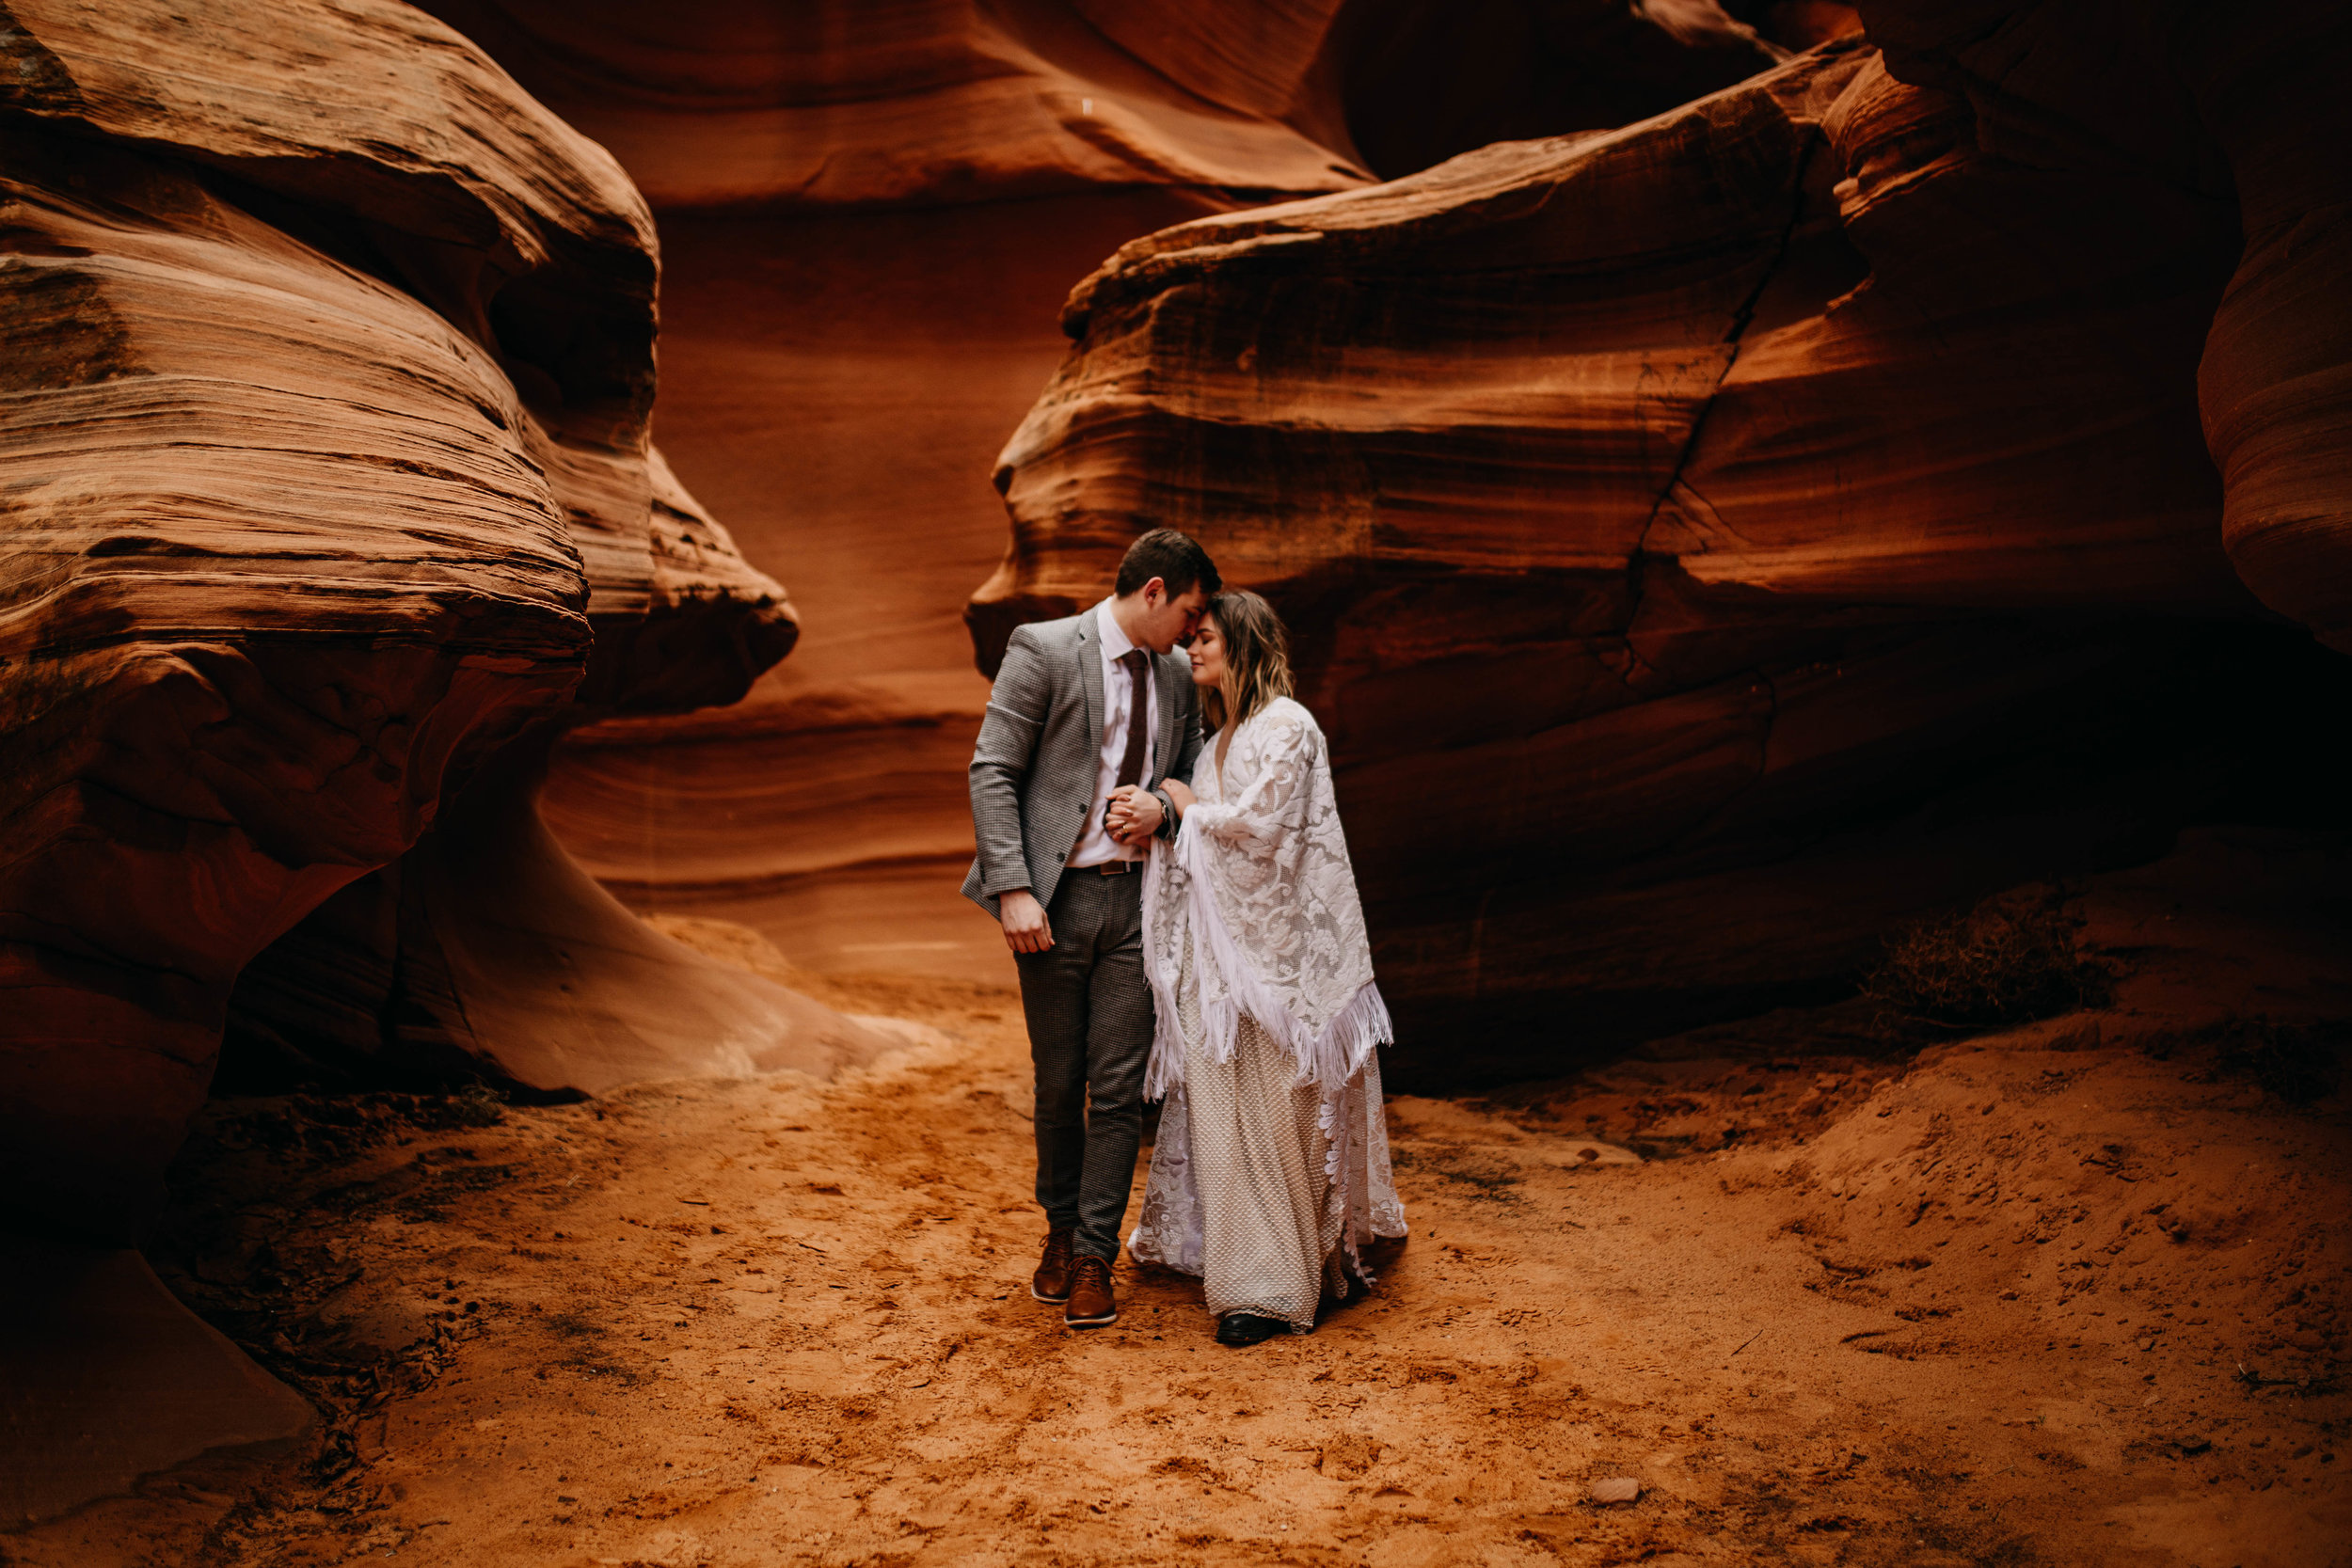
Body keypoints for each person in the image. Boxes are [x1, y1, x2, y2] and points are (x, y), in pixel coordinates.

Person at [1115, 589, 1406, 1346]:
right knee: (1222, 1122)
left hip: (1284, 971)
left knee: (1284, 1120)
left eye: (1206, 637)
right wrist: (1170, 810)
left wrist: (1176, 815)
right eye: (1191, 638)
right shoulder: (1214, 745)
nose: (1193, 649)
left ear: (1243, 643)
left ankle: (1299, 1269)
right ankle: (1254, 1287)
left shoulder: (1289, 726)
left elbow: (1265, 830)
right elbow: (1208, 838)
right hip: (1215, 974)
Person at [963, 528, 1220, 1329]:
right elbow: (993, 767)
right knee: (1056, 1083)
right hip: (1052, 904)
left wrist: (1166, 805)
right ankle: (1057, 1230)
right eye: (1188, 609)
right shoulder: (1043, 648)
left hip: (1139, 904)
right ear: (1153, 593)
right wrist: (1012, 886)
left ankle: (1092, 1257)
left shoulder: (1176, 675)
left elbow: (1197, 759)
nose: (1191, 628)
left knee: (1116, 1091)